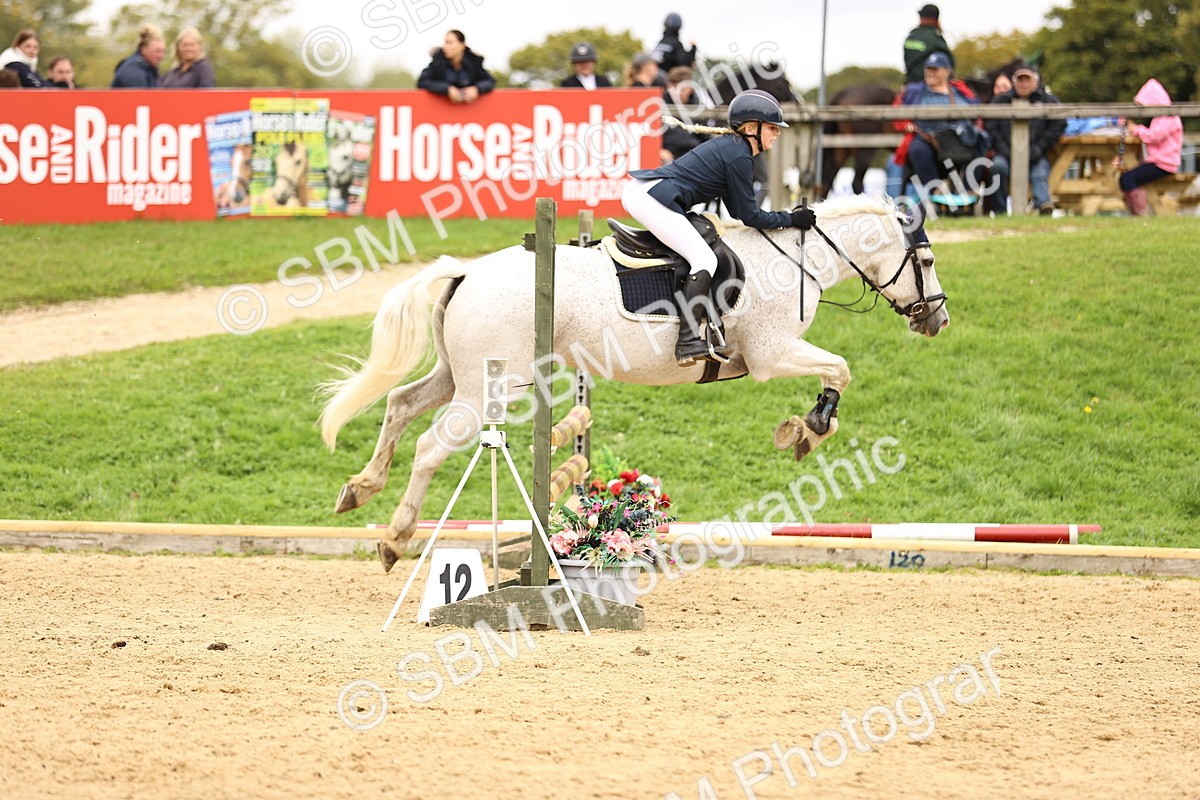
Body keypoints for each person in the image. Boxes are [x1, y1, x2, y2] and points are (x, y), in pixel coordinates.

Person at [622, 90, 814, 365]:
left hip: (646, 192)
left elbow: (737, 211)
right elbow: (750, 216)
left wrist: (787, 218)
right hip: (650, 197)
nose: (777, 133)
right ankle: (687, 341)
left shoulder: (735, 148)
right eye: (772, 128)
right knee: (704, 258)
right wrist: (791, 220)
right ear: (751, 129)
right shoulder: (739, 155)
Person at [892, 52, 982, 195]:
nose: (930, 73)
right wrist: (906, 124)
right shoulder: (914, 91)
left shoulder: (960, 90)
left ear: (947, 71)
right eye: (928, 69)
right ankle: (937, 190)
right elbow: (897, 111)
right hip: (928, 138)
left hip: (959, 138)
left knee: (981, 138)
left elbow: (977, 111)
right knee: (917, 149)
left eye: (935, 69)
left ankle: (968, 190)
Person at [984, 66, 1065, 215]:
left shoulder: (1047, 100)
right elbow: (990, 124)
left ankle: (1043, 205)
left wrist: (1040, 147)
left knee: (1039, 172)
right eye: (1020, 80)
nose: (1024, 84)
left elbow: (1060, 122)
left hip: (1036, 153)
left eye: (1028, 80)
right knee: (997, 168)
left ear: (1036, 81)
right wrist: (1004, 149)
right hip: (1005, 153)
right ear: (1014, 82)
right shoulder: (1002, 100)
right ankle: (1000, 211)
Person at [1117, 78, 1183, 216]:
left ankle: (1140, 214)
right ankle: (1138, 213)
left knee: (1128, 179)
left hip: (1164, 163)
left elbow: (1154, 136)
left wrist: (1136, 129)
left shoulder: (1168, 117)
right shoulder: (1161, 118)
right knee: (1125, 178)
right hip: (1158, 161)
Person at [417, 30, 494, 104]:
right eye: (445, 42)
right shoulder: (438, 62)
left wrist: (477, 88)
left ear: (462, 45)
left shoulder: (474, 62)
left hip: (469, 112)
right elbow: (422, 82)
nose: (445, 47)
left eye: (450, 43)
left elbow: (490, 81)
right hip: (443, 111)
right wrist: (446, 88)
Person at [661, 66, 706, 161]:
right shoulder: (658, 106)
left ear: (690, 89)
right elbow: (647, 137)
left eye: (681, 88)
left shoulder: (700, 108)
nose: (675, 92)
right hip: (669, 158)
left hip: (694, 156)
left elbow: (705, 136)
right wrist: (658, 150)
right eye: (672, 87)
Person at [903, 5, 954, 85]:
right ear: (935, 19)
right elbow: (950, 62)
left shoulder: (911, 36)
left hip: (910, 84)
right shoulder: (935, 37)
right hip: (929, 85)